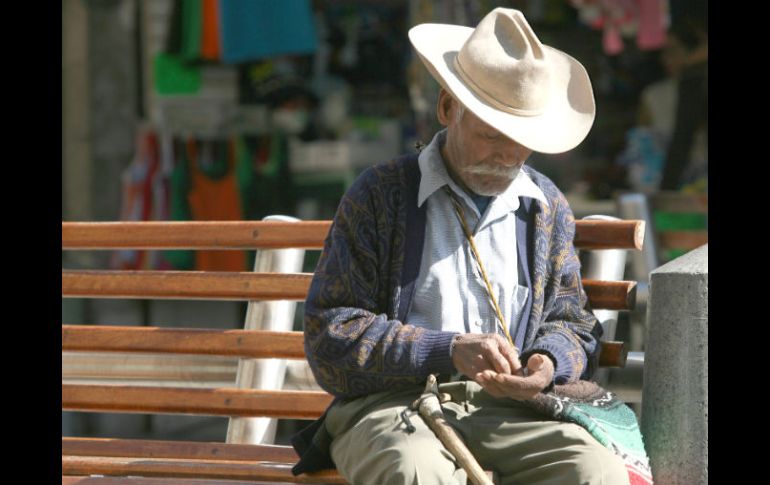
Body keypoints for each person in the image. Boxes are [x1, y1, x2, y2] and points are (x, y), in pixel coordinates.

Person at [291, 8, 647, 485]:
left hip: (513, 412)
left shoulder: (544, 207)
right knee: (415, 472)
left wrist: (547, 361)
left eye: (523, 140)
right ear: (447, 108)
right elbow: (331, 334)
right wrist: (448, 350)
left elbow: (573, 323)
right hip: (396, 407)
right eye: (491, 134)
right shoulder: (379, 195)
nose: (508, 155)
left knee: (596, 472)